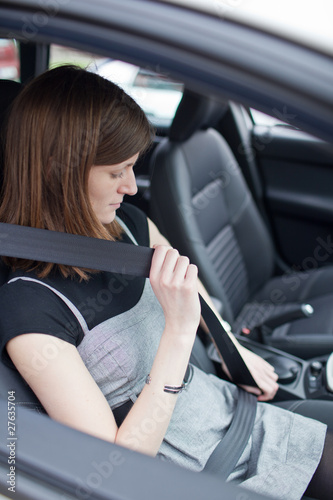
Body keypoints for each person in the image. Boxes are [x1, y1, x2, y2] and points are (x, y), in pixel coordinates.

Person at [0, 65, 331, 500]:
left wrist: (233, 347)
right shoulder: (29, 308)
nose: (133, 187)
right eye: (117, 171)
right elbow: (112, 472)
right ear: (57, 171)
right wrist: (178, 332)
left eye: (133, 168)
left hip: (235, 413)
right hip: (192, 476)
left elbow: (191, 289)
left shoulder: (131, 227)